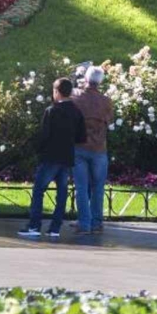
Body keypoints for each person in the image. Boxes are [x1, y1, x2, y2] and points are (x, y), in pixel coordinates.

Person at [17, 77, 87, 240]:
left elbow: (44, 135)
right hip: (67, 157)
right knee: (61, 194)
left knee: (39, 191)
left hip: (50, 157)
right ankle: (55, 228)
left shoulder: (52, 111)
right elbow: (81, 137)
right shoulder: (76, 112)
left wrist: (38, 151)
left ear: (56, 92)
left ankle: (34, 225)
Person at [72, 66, 115, 235]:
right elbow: (110, 121)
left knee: (81, 187)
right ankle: (96, 222)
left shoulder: (76, 97)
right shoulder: (106, 101)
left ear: (86, 79)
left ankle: (84, 223)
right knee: (98, 187)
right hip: (99, 148)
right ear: (101, 81)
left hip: (80, 146)